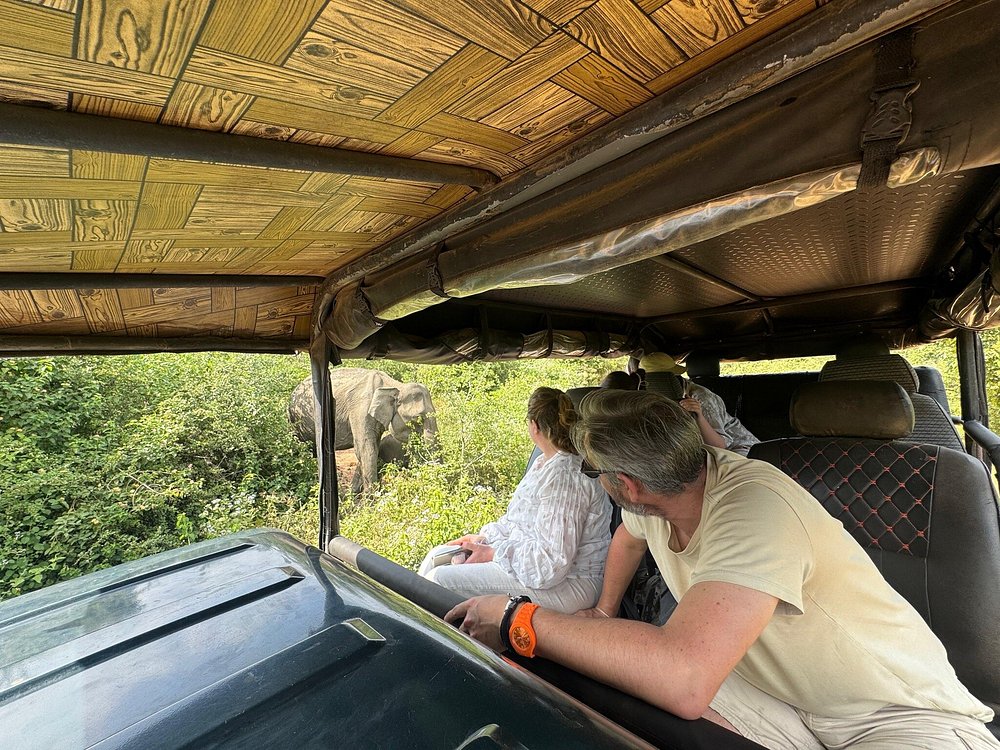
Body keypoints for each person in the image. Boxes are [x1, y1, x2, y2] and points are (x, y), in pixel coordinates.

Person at [446, 390, 999, 749]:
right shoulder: (667, 496)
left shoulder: (754, 507)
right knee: (603, 696)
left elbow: (685, 679)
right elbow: (626, 538)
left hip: (897, 715)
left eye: (595, 470)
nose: (593, 478)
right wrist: (602, 611)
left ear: (627, 485)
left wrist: (522, 618)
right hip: (774, 695)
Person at [419, 387, 611, 613]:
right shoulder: (544, 464)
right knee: (437, 557)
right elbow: (518, 522)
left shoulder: (565, 476)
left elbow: (552, 564)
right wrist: (484, 538)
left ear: (534, 426)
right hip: (537, 565)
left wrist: (494, 554)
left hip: (571, 583)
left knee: (438, 580)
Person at [641, 352, 759, 456]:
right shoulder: (650, 400)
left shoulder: (701, 398)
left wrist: (698, 416)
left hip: (739, 450)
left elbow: (718, 447)